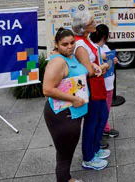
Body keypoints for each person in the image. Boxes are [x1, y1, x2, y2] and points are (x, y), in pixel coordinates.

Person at [42, 28, 87, 182]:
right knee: (64, 156)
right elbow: (47, 89)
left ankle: (67, 178)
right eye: (64, 44)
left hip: (73, 113)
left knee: (66, 153)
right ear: (56, 45)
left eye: (72, 43)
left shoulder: (70, 57)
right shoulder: (58, 61)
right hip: (63, 115)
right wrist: (73, 99)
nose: (69, 47)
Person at [72, 11, 111, 170]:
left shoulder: (85, 39)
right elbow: (89, 70)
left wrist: (98, 65)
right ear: (84, 26)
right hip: (90, 86)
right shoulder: (80, 44)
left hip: (97, 84)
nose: (95, 23)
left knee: (102, 117)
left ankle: (95, 149)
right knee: (91, 122)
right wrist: (103, 67)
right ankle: (88, 157)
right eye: (92, 22)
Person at [90, 24, 120, 139]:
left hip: (109, 84)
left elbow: (111, 60)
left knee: (106, 110)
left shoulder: (105, 47)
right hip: (99, 86)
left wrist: (114, 60)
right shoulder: (92, 49)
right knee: (99, 112)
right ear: (105, 36)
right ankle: (99, 133)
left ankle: (105, 128)